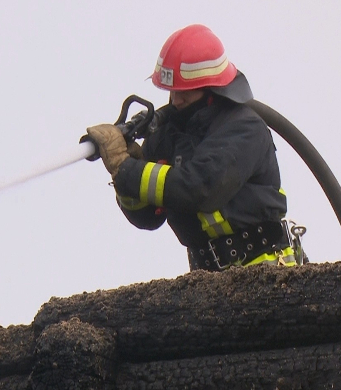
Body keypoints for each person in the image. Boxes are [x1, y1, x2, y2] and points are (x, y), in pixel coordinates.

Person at [85, 24, 297, 271]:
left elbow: (200, 187)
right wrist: (127, 174)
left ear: (212, 87)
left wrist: (126, 169)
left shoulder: (244, 128)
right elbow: (147, 217)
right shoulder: (168, 134)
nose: (176, 99)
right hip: (208, 281)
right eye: (171, 90)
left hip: (267, 272)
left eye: (185, 91)